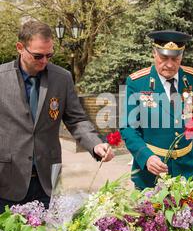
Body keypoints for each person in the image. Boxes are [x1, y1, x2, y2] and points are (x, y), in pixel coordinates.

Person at [0, 20, 114, 212]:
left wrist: (95, 144)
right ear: (20, 48)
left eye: (49, 55)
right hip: (7, 181)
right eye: (38, 56)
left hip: (47, 182)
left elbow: (76, 119)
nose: (44, 61)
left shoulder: (62, 78)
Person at [120, 30, 193, 190]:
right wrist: (146, 157)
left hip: (186, 172)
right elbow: (128, 128)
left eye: (175, 59)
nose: (170, 64)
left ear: (182, 56)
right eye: (164, 58)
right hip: (151, 175)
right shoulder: (137, 82)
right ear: (154, 54)